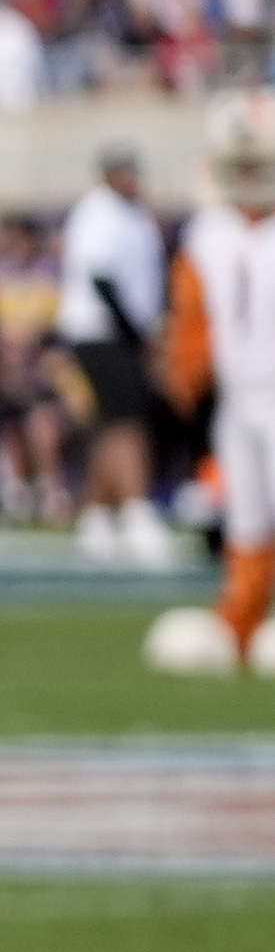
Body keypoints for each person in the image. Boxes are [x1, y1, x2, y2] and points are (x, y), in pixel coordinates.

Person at [173, 94, 275, 668]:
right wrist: (189, 375)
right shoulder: (208, 233)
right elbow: (192, 319)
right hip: (238, 395)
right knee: (247, 514)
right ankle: (242, 617)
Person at [57, 142, 177, 565]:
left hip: (118, 330)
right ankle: (135, 509)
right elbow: (101, 278)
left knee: (112, 422)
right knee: (129, 420)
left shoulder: (131, 214)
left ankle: (94, 514)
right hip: (103, 329)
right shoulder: (98, 213)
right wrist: (136, 333)